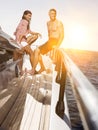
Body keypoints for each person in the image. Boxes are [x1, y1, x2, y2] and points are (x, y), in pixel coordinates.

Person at [29, 8, 64, 74]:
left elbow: (62, 36)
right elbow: (49, 33)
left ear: (56, 14)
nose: (53, 15)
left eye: (54, 13)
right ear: (49, 14)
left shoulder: (59, 23)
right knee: (36, 51)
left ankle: (33, 70)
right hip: (49, 41)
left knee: (36, 50)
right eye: (51, 13)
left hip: (55, 41)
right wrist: (48, 42)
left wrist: (57, 46)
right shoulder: (48, 23)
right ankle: (42, 67)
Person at [13, 10, 41, 75]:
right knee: (31, 53)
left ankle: (21, 71)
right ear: (24, 15)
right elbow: (22, 33)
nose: (30, 17)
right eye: (29, 15)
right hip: (22, 41)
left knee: (20, 56)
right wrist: (19, 43)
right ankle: (33, 70)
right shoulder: (25, 22)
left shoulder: (22, 21)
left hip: (18, 40)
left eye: (31, 16)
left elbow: (29, 31)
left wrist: (37, 33)